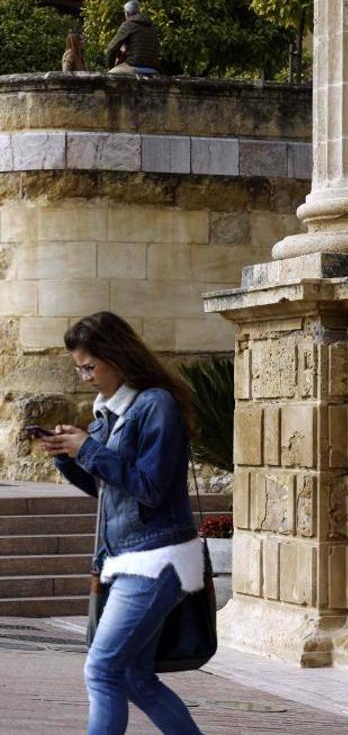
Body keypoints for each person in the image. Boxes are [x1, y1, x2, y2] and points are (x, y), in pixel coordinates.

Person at [40, 311, 203, 735]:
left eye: (90, 366)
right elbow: (111, 492)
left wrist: (89, 450)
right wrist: (67, 453)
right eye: (79, 368)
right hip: (127, 557)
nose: (86, 376)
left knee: (102, 671)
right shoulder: (109, 415)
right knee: (132, 676)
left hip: (156, 560)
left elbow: (151, 487)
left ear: (116, 357)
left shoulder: (156, 406)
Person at [106, 0, 160, 76]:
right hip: (153, 68)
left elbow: (111, 47)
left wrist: (110, 67)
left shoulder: (129, 24)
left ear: (126, 13)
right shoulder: (151, 26)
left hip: (134, 66)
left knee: (109, 76)